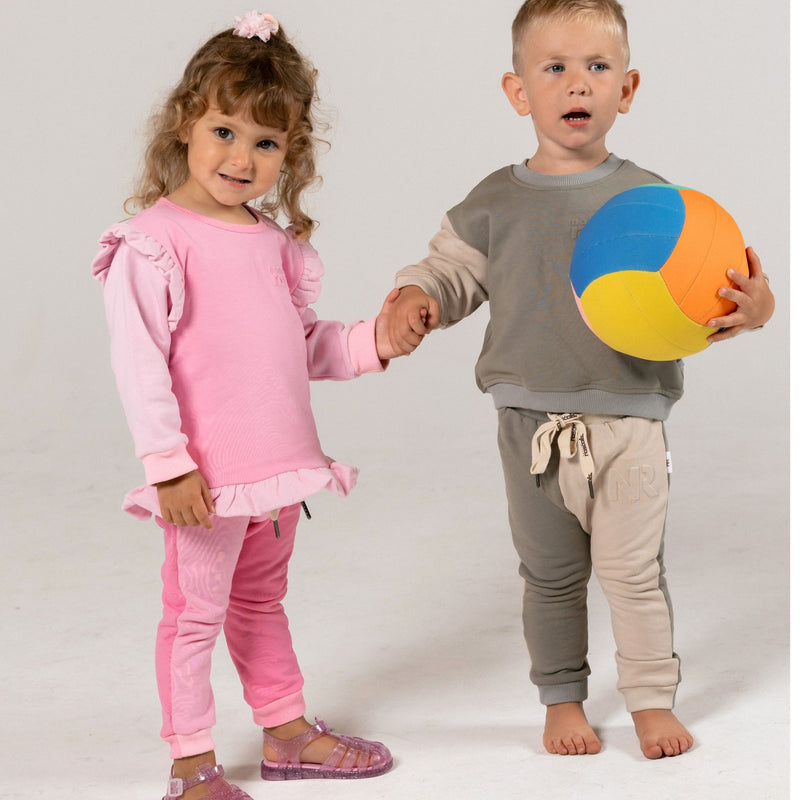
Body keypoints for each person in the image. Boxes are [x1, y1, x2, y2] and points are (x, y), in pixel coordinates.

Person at [386, 0, 774, 760]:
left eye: (597, 68)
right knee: (551, 575)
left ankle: (650, 701)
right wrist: (418, 296)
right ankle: (561, 698)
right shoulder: (495, 200)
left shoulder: (655, 203)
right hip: (528, 422)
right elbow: (451, 268)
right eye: (555, 67)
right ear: (518, 90)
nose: (577, 83)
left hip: (629, 419)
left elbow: (714, 295)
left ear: (626, 90)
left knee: (633, 574)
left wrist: (755, 310)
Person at [92, 12, 404, 799]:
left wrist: (379, 340)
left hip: (278, 477)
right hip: (205, 481)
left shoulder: (273, 246)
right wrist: (168, 467)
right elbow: (140, 367)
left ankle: (287, 730)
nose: (242, 157)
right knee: (193, 615)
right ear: (184, 126)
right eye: (225, 132)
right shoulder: (154, 243)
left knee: (262, 599)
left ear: (289, 155)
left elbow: (300, 348)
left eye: (266, 144)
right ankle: (191, 762)